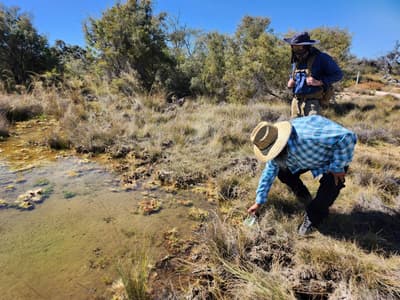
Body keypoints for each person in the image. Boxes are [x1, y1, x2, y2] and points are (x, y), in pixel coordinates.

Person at [247, 115, 357, 235]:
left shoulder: (308, 137)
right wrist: (259, 202)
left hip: (331, 159)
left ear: (282, 144)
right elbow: (268, 173)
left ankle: (314, 216)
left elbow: (346, 137)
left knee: (330, 187)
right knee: (283, 173)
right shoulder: (274, 149)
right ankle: (304, 197)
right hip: (307, 159)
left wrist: (337, 166)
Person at [284, 32, 343, 117]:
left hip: (312, 104)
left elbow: (338, 74)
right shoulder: (296, 61)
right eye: (294, 46)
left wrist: (320, 82)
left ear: (306, 46)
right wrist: (291, 79)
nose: (296, 49)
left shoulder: (321, 58)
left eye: (299, 47)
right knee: (295, 129)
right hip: (296, 102)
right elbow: (294, 76)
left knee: (312, 129)